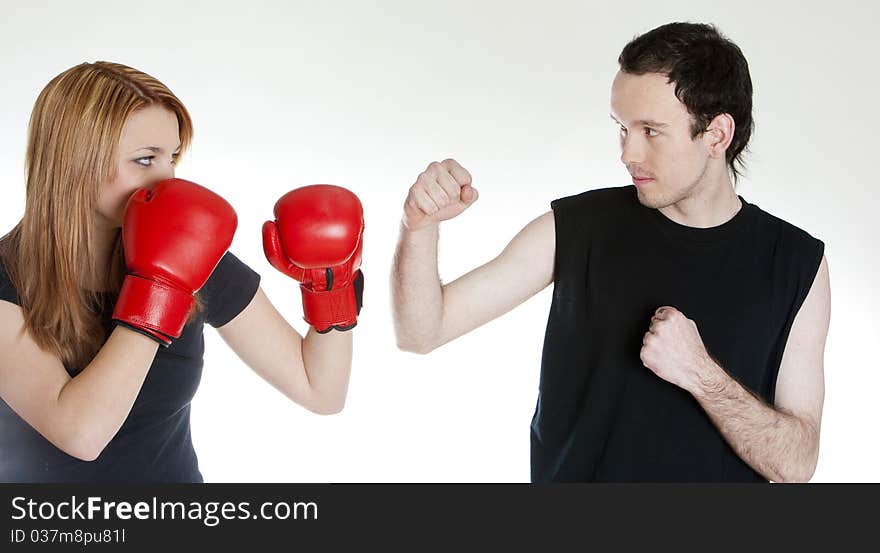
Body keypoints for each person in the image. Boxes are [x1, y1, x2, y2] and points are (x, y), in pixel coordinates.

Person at [392, 22, 829, 482]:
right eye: (622, 127)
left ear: (717, 135)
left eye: (651, 131)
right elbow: (422, 331)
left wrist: (700, 373)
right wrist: (418, 228)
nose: (627, 153)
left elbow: (796, 465)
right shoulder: (577, 228)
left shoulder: (797, 263)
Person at [0, 61, 364, 482]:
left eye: (171, 157)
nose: (166, 177)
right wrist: (160, 286)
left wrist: (330, 290)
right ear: (74, 163)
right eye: (144, 159)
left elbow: (320, 390)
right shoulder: (9, 280)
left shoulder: (193, 253)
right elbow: (83, 433)